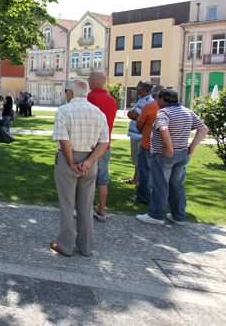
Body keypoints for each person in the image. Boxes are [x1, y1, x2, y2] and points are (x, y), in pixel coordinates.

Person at [50, 79, 109, 256]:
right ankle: (86, 246)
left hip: (70, 158)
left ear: (70, 93)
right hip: (90, 160)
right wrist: (89, 161)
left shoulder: (64, 110)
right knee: (86, 205)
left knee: (67, 204)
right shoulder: (98, 113)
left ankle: (65, 245)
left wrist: (71, 162)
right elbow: (104, 142)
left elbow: (63, 139)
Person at [136, 89, 209, 225]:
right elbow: (203, 129)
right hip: (182, 153)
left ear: (163, 99)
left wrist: (169, 148)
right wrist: (192, 147)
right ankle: (178, 215)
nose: (156, 102)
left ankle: (156, 215)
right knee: (177, 184)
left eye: (157, 99)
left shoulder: (164, 112)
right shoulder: (187, 111)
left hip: (164, 154)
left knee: (160, 184)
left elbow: (163, 129)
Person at [87, 70, 117, 222]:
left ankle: (84, 209)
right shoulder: (112, 100)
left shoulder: (89, 98)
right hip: (105, 145)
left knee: (86, 179)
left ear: (92, 81)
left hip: (89, 146)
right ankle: (102, 211)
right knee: (103, 179)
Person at [133, 85, 164, 205]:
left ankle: (143, 197)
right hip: (164, 146)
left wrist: (144, 132)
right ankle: (161, 198)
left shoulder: (150, 106)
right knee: (161, 173)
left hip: (148, 143)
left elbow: (140, 123)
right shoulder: (177, 109)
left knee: (145, 171)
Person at [123, 81, 154, 186]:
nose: (136, 89)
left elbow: (133, 114)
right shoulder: (145, 100)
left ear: (144, 89)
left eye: (139, 87)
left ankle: (139, 181)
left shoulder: (144, 101)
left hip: (138, 135)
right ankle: (135, 179)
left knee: (139, 159)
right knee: (138, 159)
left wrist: (132, 114)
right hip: (138, 134)